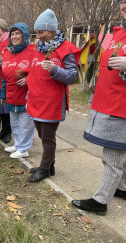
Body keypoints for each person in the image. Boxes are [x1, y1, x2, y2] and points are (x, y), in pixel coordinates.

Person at [71, 0, 126, 215]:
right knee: (120, 154)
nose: (125, 5)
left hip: (121, 108)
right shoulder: (118, 32)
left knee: (113, 157)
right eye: (122, 1)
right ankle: (122, 187)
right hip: (108, 103)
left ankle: (100, 201)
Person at [26, 9, 80, 182]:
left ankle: (44, 168)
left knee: (48, 137)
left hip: (52, 102)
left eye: (41, 32)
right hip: (36, 100)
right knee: (42, 135)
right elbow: (34, 72)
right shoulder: (38, 48)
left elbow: (72, 76)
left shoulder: (65, 48)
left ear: (51, 31)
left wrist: (55, 70)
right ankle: (49, 165)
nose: (38, 36)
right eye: (36, 32)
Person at [1, 23, 35, 159]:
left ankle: (24, 149)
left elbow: (39, 71)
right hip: (11, 94)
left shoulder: (33, 50)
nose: (14, 37)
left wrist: (28, 79)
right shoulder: (8, 53)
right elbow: (4, 76)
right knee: (14, 123)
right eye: (12, 34)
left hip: (26, 95)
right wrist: (3, 94)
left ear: (24, 35)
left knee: (25, 124)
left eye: (17, 33)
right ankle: (18, 144)